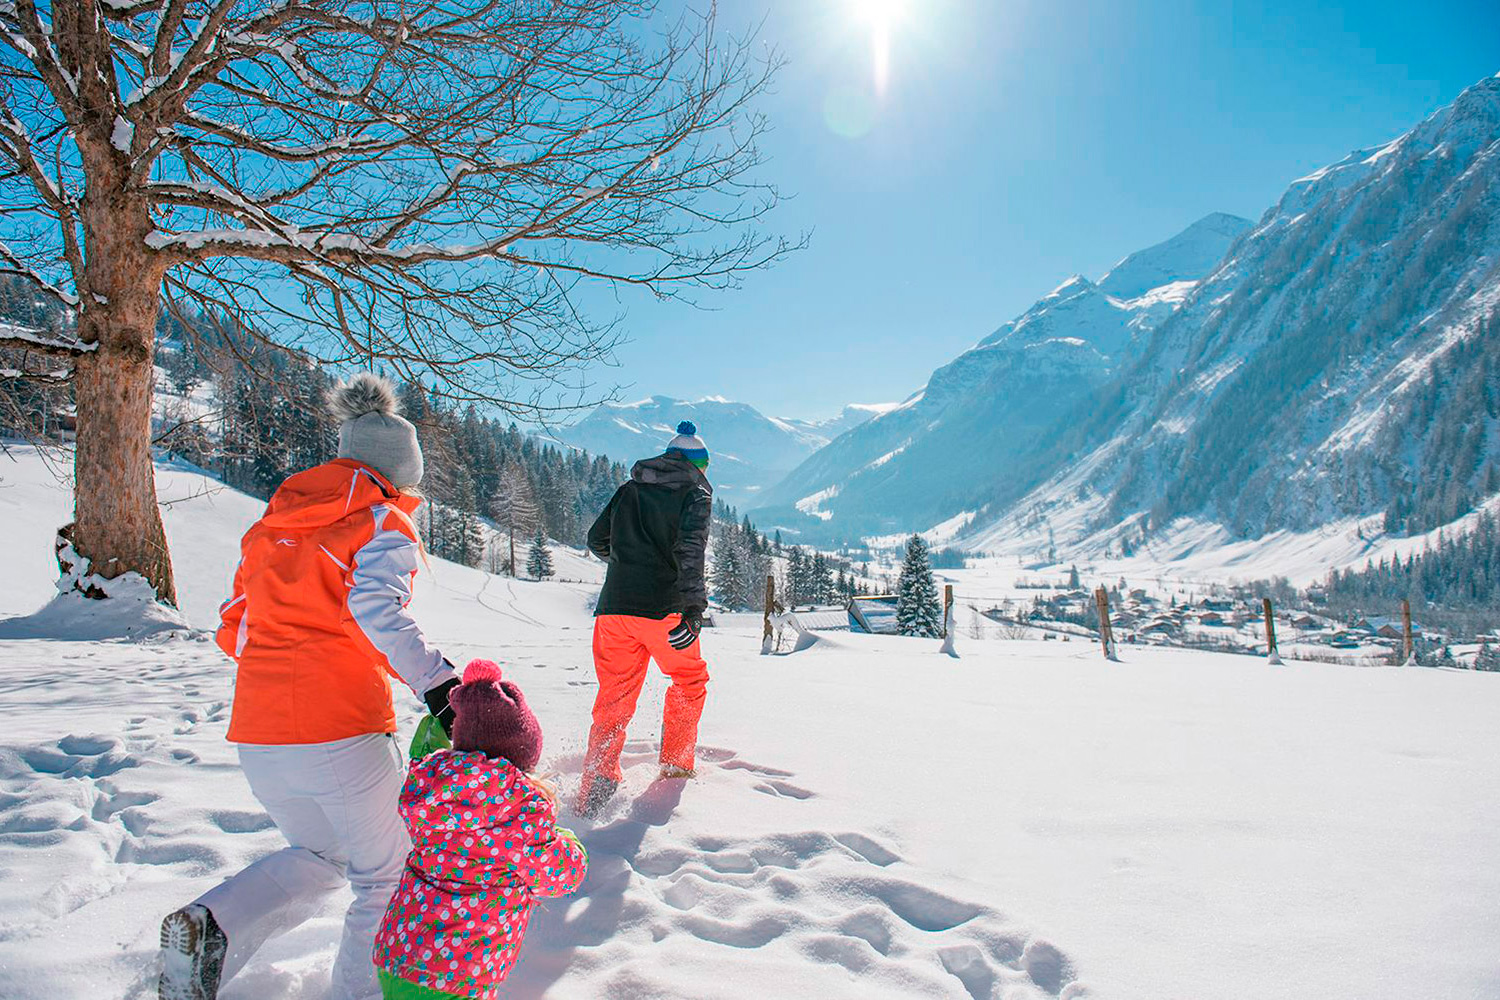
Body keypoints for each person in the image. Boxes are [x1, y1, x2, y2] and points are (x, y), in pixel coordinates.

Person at [159, 374, 462, 1000]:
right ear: (398, 473)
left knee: (323, 857)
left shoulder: (274, 525)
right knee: (387, 876)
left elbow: (234, 625)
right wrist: (440, 686)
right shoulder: (381, 519)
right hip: (342, 727)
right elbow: (377, 610)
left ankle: (212, 928)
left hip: (260, 733)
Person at [374, 659, 588, 999]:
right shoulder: (520, 811)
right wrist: (568, 841)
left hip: (399, 956)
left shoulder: (432, 787)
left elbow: (423, 752)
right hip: (460, 975)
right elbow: (561, 875)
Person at [576, 420, 712, 817]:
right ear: (696, 463)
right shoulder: (695, 494)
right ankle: (674, 765)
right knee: (689, 680)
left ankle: (597, 784)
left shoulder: (629, 489)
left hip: (614, 610)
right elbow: (691, 551)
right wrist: (693, 610)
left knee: (614, 697)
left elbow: (596, 540)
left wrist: (627, 566)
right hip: (665, 611)